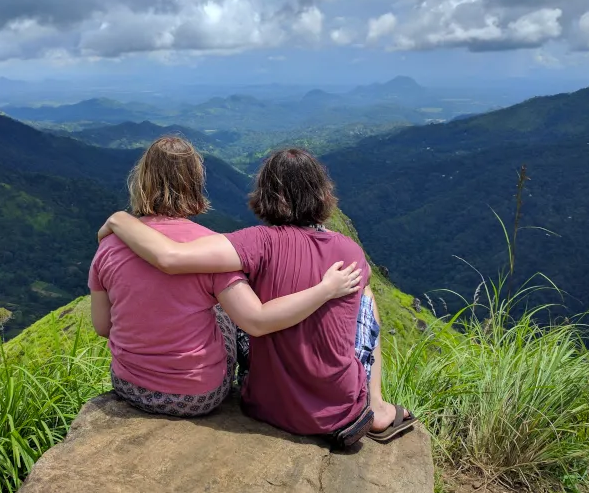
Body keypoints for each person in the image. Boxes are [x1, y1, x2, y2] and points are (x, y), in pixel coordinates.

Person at [98, 147, 417, 443]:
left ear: (267, 194)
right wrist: (328, 286)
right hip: (337, 412)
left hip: (261, 404)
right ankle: (375, 405)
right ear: (322, 193)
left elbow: (170, 258)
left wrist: (118, 220)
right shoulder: (349, 251)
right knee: (366, 294)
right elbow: (363, 276)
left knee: (226, 298)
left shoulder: (253, 243)